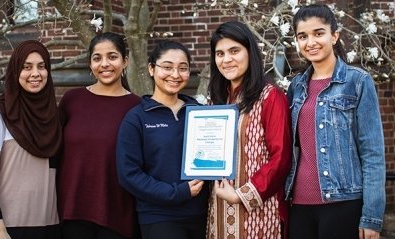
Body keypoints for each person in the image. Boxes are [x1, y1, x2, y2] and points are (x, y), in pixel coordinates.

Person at [285, 4, 386, 239]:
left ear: (334, 35)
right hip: (298, 205)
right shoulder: (296, 87)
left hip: (343, 203)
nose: (311, 42)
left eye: (318, 33)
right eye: (303, 36)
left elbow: (372, 154)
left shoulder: (358, 81)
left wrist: (372, 216)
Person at [206, 21, 292, 239]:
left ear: (249, 52)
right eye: (220, 53)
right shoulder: (216, 100)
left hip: (259, 209)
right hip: (219, 206)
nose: (226, 60)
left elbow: (280, 158)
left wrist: (241, 195)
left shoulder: (270, 96)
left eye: (234, 51)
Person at [116, 40, 209, 239]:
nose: (175, 75)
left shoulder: (201, 115)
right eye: (167, 67)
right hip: (159, 217)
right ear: (151, 69)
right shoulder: (137, 118)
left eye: (182, 68)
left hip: (202, 215)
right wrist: (177, 192)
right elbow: (129, 174)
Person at [57, 32, 141, 239]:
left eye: (112, 57)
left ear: (125, 61)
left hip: (118, 214)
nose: (105, 64)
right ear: (90, 63)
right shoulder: (72, 100)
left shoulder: (138, 107)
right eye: (97, 58)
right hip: (71, 210)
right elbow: (53, 150)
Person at [0, 40, 62, 239]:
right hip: (8, 229)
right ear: (15, 72)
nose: (35, 74)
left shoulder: (54, 117)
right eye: (26, 67)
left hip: (50, 226)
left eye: (42, 67)